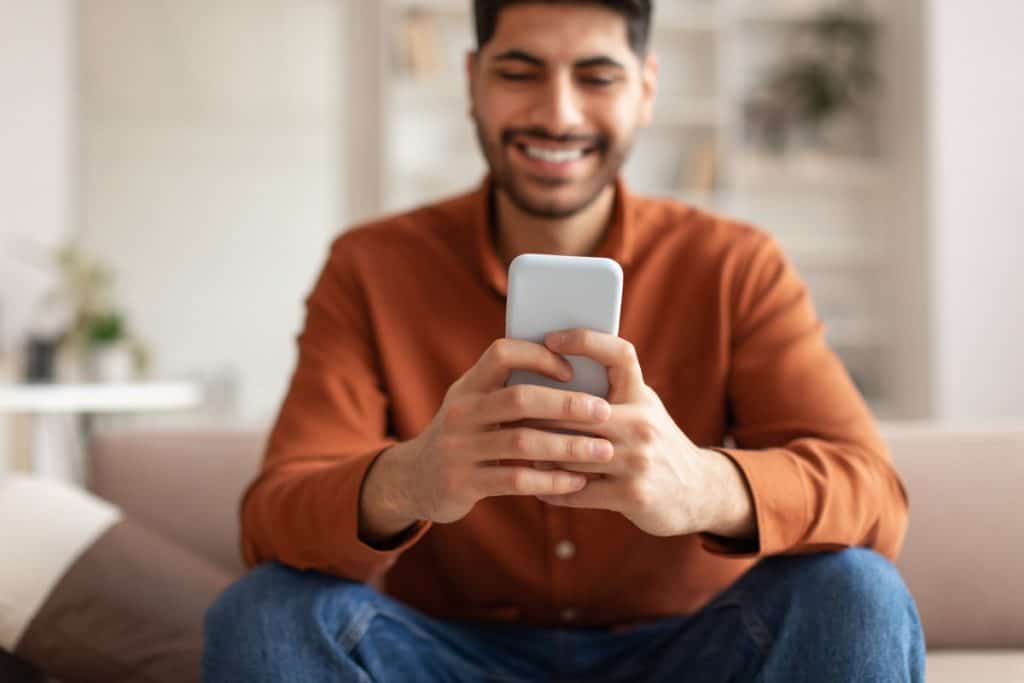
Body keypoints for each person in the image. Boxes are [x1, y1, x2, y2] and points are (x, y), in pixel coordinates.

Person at [204, 1, 925, 680]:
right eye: (519, 73)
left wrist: (704, 486)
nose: (557, 113)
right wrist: (412, 476)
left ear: (646, 89)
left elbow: (874, 496)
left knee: (858, 589)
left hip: (690, 652)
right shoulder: (371, 267)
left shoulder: (735, 267)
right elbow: (273, 519)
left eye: (597, 76)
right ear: (471, 81)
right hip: (444, 655)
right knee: (264, 610)